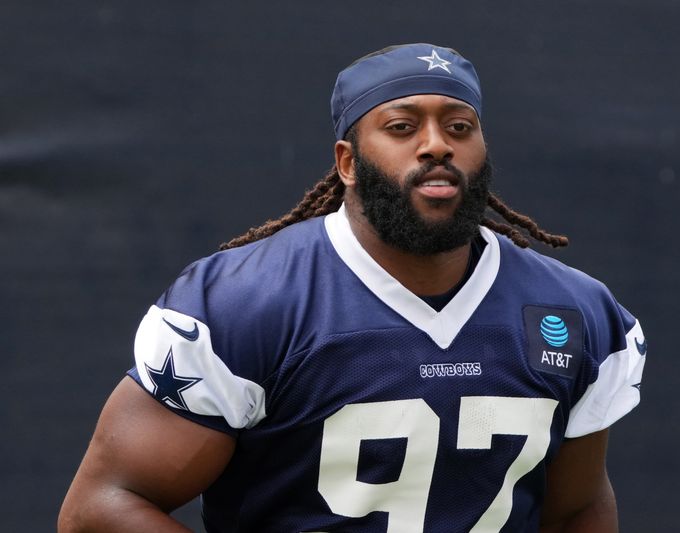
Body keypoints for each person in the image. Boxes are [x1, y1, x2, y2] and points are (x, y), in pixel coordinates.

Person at [59, 43, 646, 532]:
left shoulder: (574, 310)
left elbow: (577, 510)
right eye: (402, 127)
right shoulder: (246, 303)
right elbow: (102, 507)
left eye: (459, 127)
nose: (437, 144)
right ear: (347, 162)